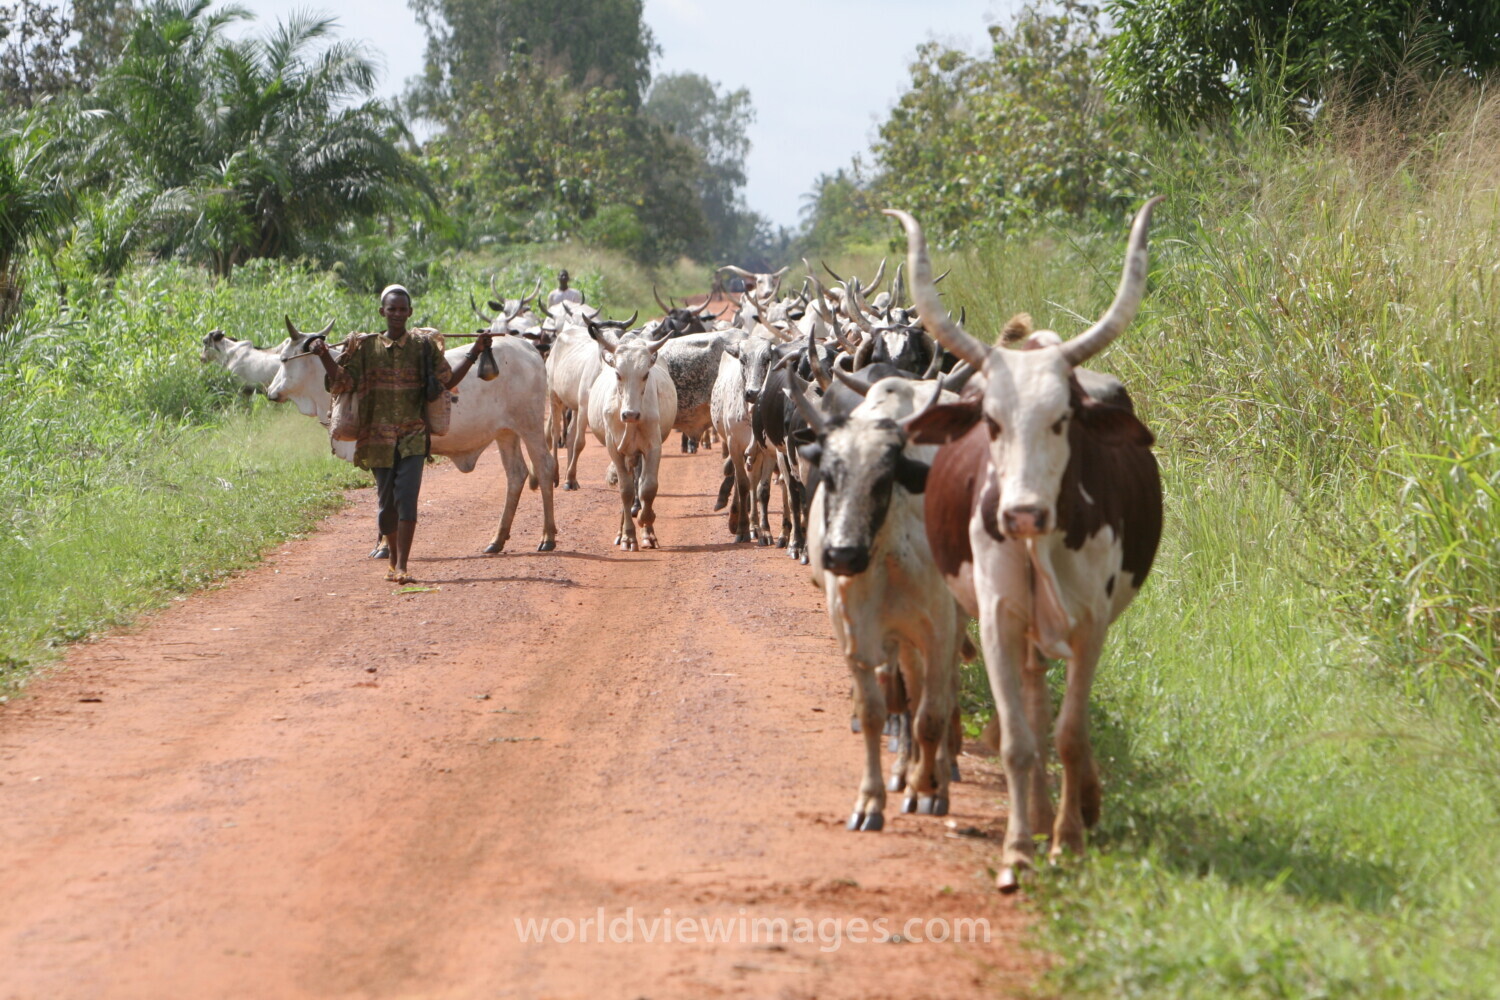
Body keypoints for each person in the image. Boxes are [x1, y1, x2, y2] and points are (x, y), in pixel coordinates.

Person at [310, 285, 492, 584]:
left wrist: (476, 351)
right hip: (377, 438)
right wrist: (322, 356)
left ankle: (403, 564)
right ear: (382, 312)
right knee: (386, 506)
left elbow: (448, 380)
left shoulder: (423, 347)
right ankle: (393, 559)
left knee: (407, 499)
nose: (396, 314)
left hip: (413, 437)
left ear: (409, 312)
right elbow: (341, 382)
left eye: (402, 309)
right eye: (391, 309)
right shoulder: (366, 348)